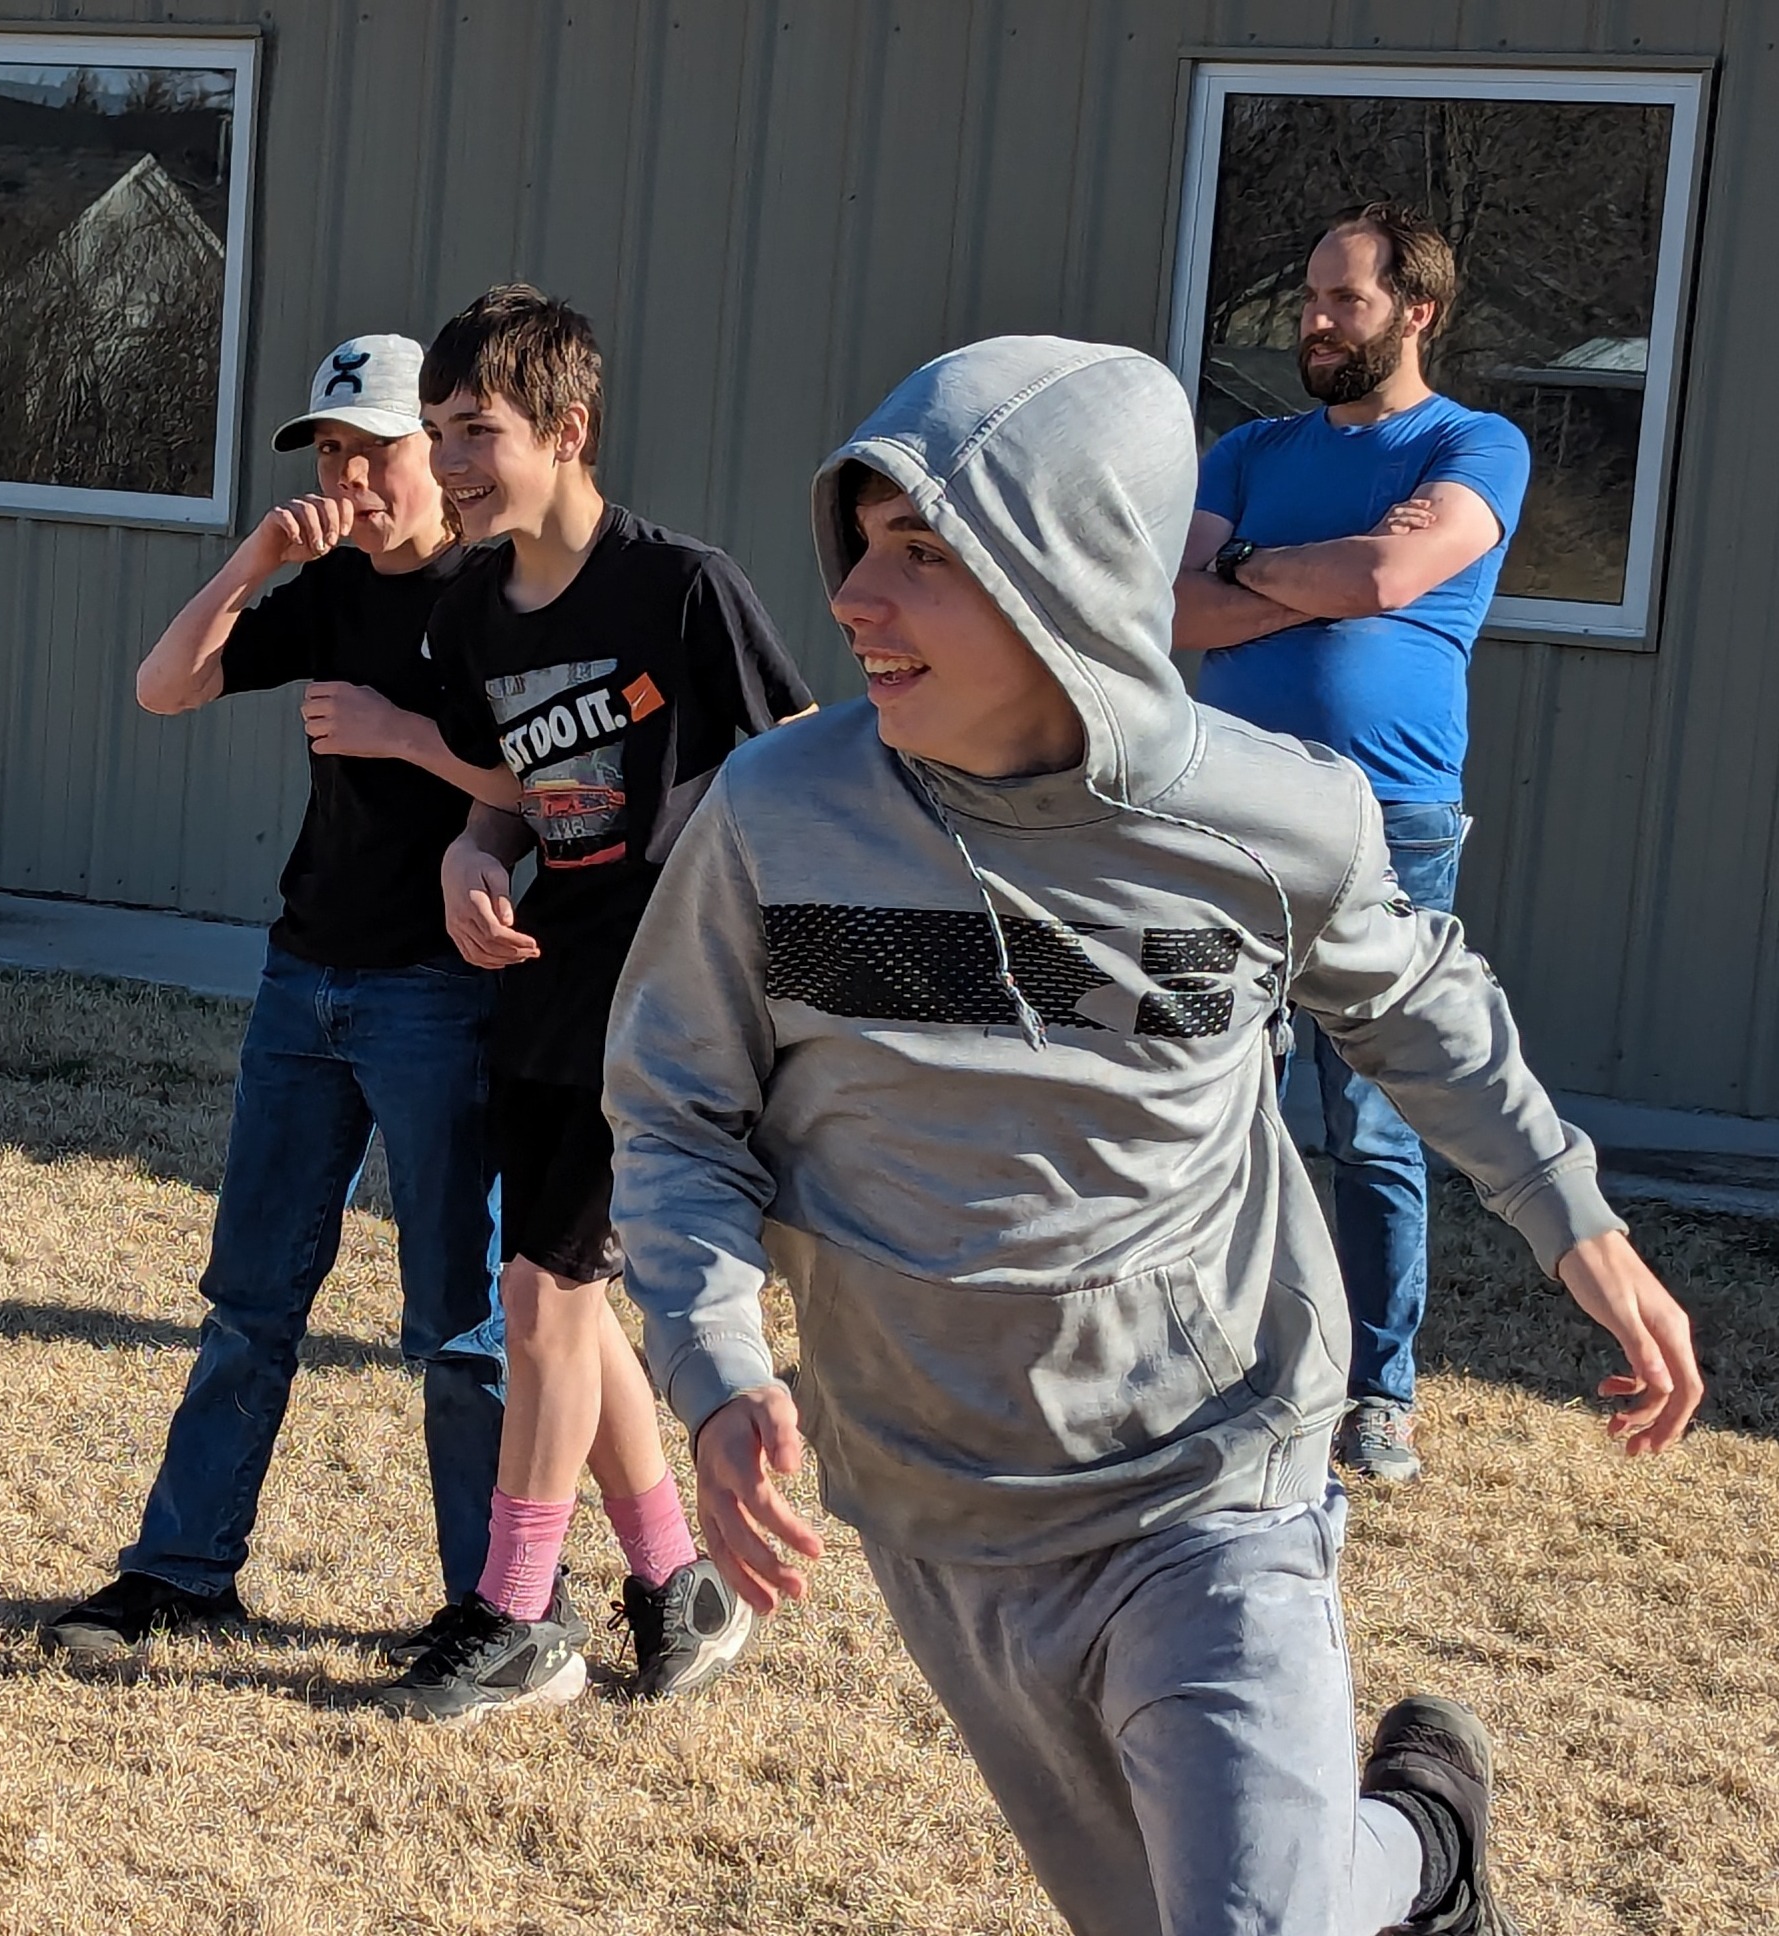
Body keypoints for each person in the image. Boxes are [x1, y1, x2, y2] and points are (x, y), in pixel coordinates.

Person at [606, 337, 1701, 1936]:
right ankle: (1421, 1853)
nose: (850, 599)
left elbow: (1414, 1003)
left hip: (1208, 1470)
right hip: (935, 1498)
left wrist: (1567, 1215)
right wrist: (713, 1374)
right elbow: (674, 1116)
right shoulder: (771, 816)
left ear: (1064, 578)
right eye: (858, 546)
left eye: (921, 555)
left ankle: (1399, 1855)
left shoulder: (1270, 817)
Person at [40, 336, 519, 1662]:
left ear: (440, 453)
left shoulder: (499, 598)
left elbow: (554, 792)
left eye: (374, 451)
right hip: (303, 977)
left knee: (459, 1324)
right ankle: (181, 1572)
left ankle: (493, 1604)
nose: (347, 478)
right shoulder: (326, 590)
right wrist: (252, 563)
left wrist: (401, 735)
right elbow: (163, 687)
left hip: (439, 994)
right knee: (250, 1301)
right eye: (329, 453)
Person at [377, 285, 815, 1721]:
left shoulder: (681, 588)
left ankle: (518, 1614)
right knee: (561, 1292)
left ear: (566, 430)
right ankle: (676, 1584)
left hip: (673, 1004)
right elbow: (508, 794)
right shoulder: (469, 613)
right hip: (547, 991)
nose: (447, 461)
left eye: (476, 430)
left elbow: (806, 760)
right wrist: (469, 855)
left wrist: (777, 971)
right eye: (436, 431)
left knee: (542, 1295)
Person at [1173, 202, 1533, 1485]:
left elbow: (1387, 579)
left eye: (1345, 300)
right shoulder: (1250, 448)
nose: (1314, 322)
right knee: (1223, 1102)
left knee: (1373, 1121)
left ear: (1415, 311)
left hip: (1395, 822)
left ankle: (1379, 1393)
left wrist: (1257, 571)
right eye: (1311, 298)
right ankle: (1230, 1367)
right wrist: (1303, 572)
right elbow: (1179, 607)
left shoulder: (1475, 444)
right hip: (1230, 810)